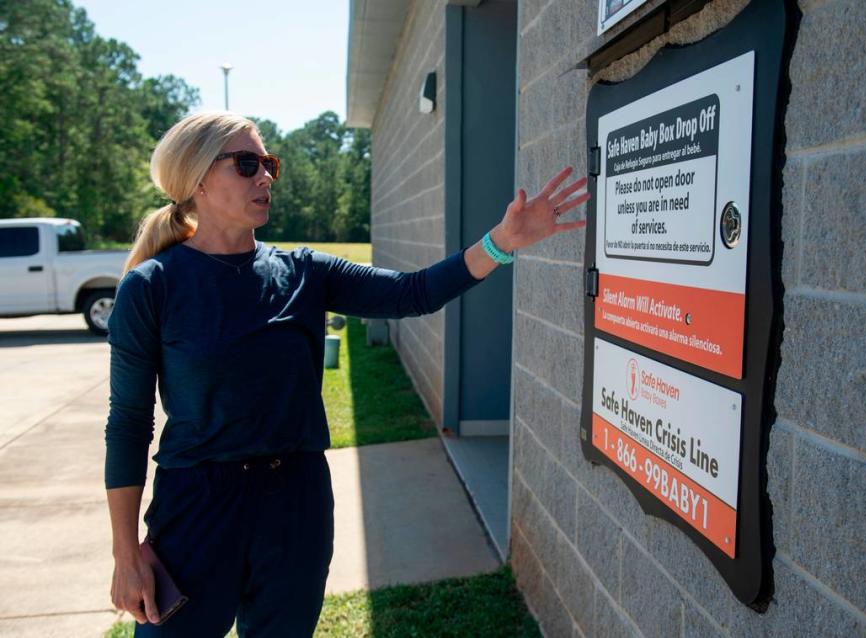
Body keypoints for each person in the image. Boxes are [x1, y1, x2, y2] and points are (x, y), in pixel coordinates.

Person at [105, 111, 589, 637]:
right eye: (247, 164)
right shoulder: (152, 286)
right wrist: (126, 551)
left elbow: (413, 292)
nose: (265, 176)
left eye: (268, 163)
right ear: (196, 179)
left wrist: (501, 241)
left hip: (296, 503)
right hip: (196, 512)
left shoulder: (303, 273)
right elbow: (129, 423)